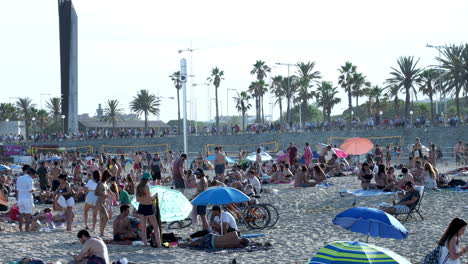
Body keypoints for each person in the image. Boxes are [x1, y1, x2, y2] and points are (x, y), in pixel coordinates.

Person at [136, 172, 162, 247]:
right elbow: (149, 199)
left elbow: (137, 199)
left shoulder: (138, 187)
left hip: (141, 207)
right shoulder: (146, 187)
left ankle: (145, 244)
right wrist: (155, 195)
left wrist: (143, 198)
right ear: (147, 179)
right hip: (148, 207)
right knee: (156, 226)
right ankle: (159, 244)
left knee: (143, 227)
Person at [180, 231, 250, 250]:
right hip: (211, 244)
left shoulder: (234, 233)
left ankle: (181, 243)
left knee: (196, 241)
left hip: (212, 237)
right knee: (195, 244)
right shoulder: (235, 245)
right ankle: (181, 244)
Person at [16, 165, 34, 232]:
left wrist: (17, 199)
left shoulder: (19, 178)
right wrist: (35, 190)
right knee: (28, 213)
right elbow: (30, 190)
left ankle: (20, 228)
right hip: (27, 197)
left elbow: (17, 189)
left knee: (21, 213)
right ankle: (27, 228)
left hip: (20, 197)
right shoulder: (29, 178)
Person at [95, 170, 110, 237]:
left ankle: (101, 233)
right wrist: (103, 195)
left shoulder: (105, 183)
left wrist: (111, 193)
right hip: (100, 202)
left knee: (102, 218)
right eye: (108, 177)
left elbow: (107, 190)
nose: (109, 178)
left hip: (104, 202)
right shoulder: (100, 183)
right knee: (106, 217)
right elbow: (95, 193)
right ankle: (101, 232)